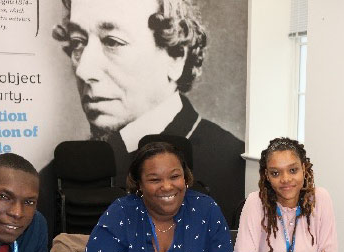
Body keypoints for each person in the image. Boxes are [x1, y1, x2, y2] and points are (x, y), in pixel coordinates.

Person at [44, 0, 245, 234]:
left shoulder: (229, 164)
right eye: (77, 42)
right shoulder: (47, 180)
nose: (83, 70)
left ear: (176, 57)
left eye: (113, 41)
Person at [80, 142, 233, 252]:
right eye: (154, 180)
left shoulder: (206, 210)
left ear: (186, 177)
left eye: (175, 177)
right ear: (139, 184)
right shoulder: (121, 214)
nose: (167, 186)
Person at [234, 138, 340, 252]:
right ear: (267, 175)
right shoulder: (255, 203)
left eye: (293, 170)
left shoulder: (320, 199)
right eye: (276, 173)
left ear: (304, 168)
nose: (285, 179)